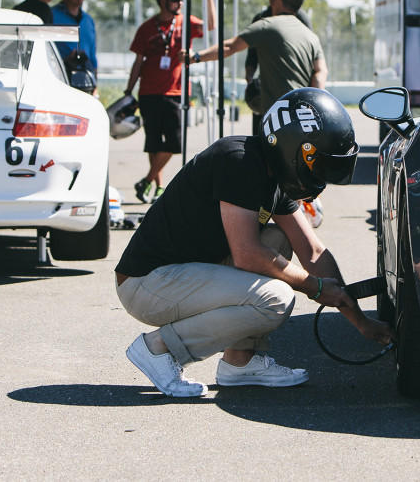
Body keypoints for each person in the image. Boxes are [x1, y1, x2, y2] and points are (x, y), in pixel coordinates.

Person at [115, 88, 394, 397]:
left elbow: (312, 251)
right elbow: (247, 254)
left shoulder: (272, 171)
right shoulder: (240, 161)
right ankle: (160, 349)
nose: (320, 175)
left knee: (277, 239)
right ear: (293, 149)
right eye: (317, 162)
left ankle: (240, 362)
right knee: (276, 298)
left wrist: (360, 321)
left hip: (181, 273)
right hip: (147, 283)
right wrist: (314, 287)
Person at [124, 0, 217, 203]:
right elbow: (138, 61)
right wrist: (129, 90)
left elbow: (211, 26)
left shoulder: (186, 23)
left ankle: (146, 180)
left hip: (176, 92)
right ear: (162, 1)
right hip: (148, 92)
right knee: (153, 143)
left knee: (175, 142)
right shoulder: (146, 28)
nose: (180, 3)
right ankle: (158, 186)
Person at [190, 0, 326, 116]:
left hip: (278, 114)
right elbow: (320, 72)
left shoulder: (267, 25)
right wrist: (312, 105)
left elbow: (230, 46)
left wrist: (195, 57)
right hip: (302, 112)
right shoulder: (311, 36)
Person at [244, 0, 313, 134]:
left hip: (295, 93)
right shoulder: (261, 18)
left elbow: (313, 57)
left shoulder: (299, 17)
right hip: (267, 92)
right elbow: (251, 56)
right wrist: (250, 82)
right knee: (262, 142)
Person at [52, 0, 98, 78]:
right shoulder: (51, 17)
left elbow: (92, 56)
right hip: (60, 78)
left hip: (85, 80)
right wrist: (66, 60)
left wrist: (95, 82)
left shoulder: (88, 20)